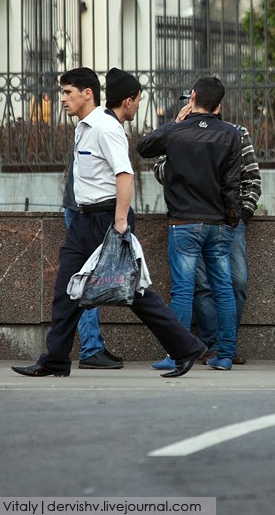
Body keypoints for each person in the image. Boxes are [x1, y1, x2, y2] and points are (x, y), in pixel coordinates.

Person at [12, 67, 207, 378]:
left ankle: (186, 348)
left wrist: (119, 225)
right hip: (84, 219)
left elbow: (124, 174)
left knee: (133, 291)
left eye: (67, 93)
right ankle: (56, 359)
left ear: (87, 94)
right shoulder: (83, 128)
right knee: (65, 290)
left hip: (107, 220)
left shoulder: (105, 128)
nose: (62, 99)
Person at [137, 75, 245, 371]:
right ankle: (225, 355)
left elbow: (144, 146)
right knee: (223, 288)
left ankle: (177, 353)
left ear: (193, 96)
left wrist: (175, 123)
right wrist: (231, 216)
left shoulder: (176, 132)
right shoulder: (230, 134)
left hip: (183, 222)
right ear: (219, 105)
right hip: (218, 223)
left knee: (183, 290)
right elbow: (232, 183)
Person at [152, 99, 262, 368]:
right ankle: (212, 347)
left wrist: (240, 216)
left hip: (225, 222)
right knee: (200, 288)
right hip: (192, 218)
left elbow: (252, 179)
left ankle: (224, 347)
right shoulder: (179, 134)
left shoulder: (236, 132)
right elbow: (160, 171)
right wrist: (181, 143)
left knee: (235, 282)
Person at [61, 67, 144, 370]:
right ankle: (90, 348)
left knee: (86, 283)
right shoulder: (103, 126)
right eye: (137, 100)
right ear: (128, 100)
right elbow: (123, 175)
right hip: (89, 213)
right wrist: (119, 220)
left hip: (88, 211)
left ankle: (81, 349)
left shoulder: (96, 125)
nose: (138, 106)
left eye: (67, 92)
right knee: (88, 283)